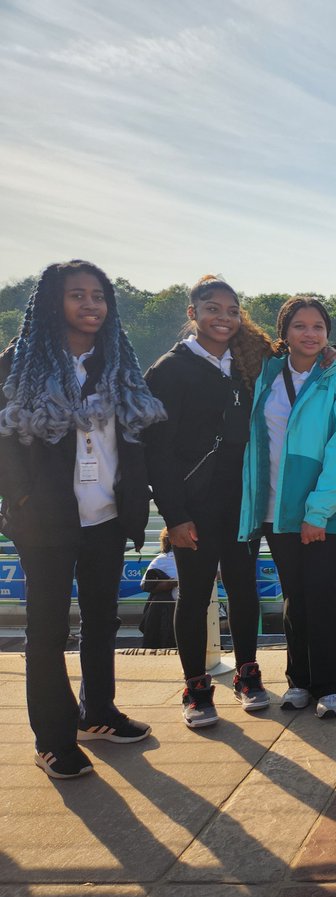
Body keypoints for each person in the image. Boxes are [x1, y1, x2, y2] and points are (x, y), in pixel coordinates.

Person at [0, 260, 165, 779]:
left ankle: (98, 713)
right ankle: (51, 737)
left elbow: (138, 436)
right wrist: (19, 500)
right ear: (53, 302)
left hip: (107, 515)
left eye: (99, 296)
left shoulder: (116, 363)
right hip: (44, 520)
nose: (91, 305)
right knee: (46, 631)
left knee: (102, 620)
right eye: (78, 295)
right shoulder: (17, 367)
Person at [143, 275, 274, 728]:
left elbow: (299, 358)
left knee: (244, 588)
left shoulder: (245, 363)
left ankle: (247, 675)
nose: (224, 318)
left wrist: (333, 356)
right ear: (193, 314)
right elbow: (156, 451)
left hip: (240, 501)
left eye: (232, 310)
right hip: (192, 506)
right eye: (213, 309)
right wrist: (174, 516)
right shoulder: (169, 370)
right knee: (195, 594)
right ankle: (196, 687)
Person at [239, 296, 336, 720]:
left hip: (326, 511)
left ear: (327, 334)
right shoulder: (267, 375)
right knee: (295, 597)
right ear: (284, 332)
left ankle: (330, 685)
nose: (309, 334)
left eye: (318, 327)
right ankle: (299, 681)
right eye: (300, 326)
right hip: (276, 507)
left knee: (323, 594)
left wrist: (318, 511)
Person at [139, 527, 178, 649]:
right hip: (168, 607)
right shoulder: (162, 559)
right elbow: (145, 584)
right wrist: (172, 583)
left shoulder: (196, 557)